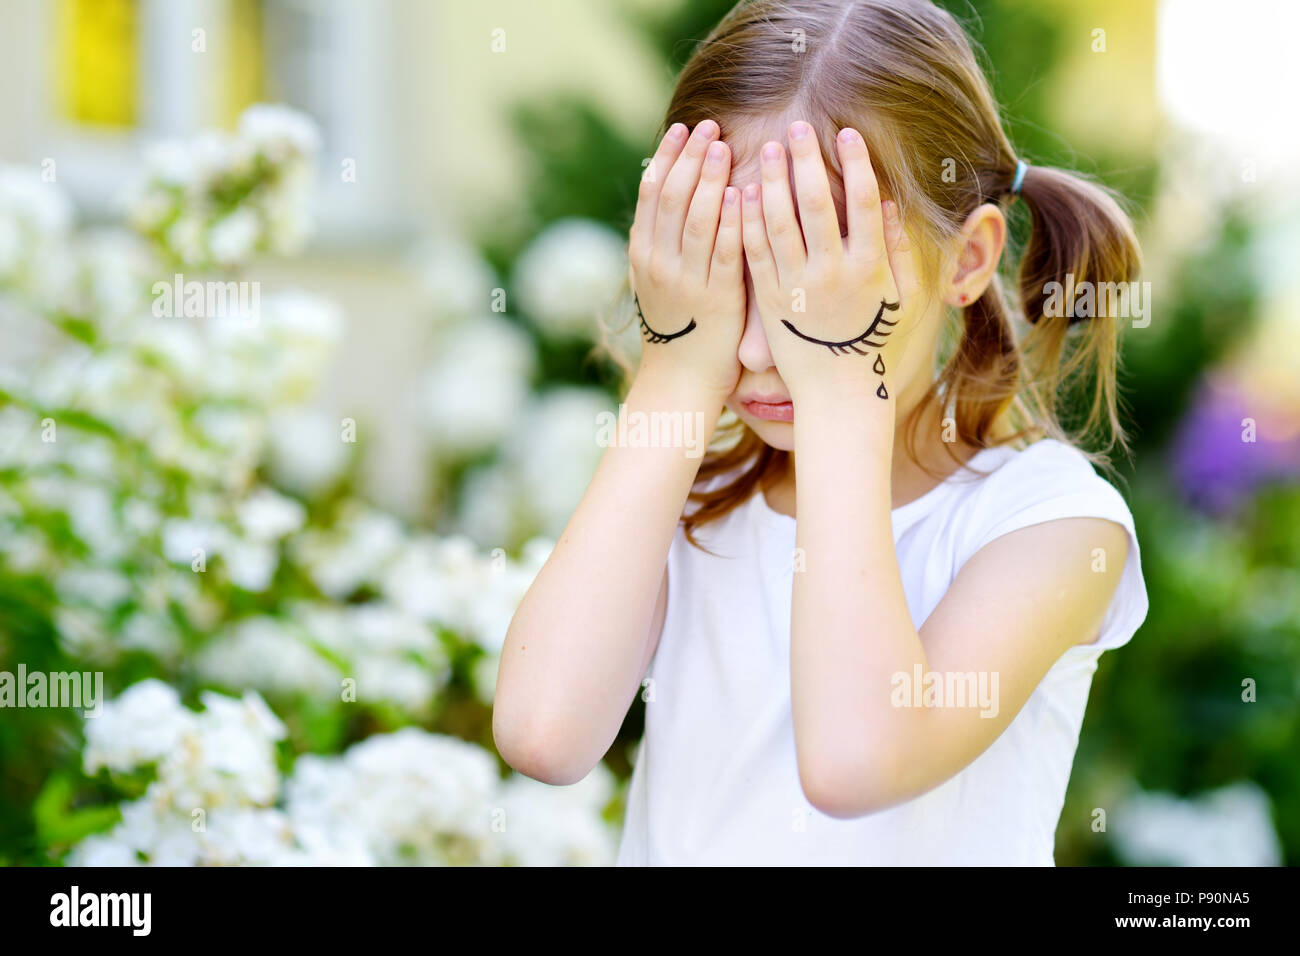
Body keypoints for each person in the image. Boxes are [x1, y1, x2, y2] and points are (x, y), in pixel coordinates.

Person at [494, 0, 1149, 865]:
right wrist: (678, 371)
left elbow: (855, 760)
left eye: (816, 284)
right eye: (728, 272)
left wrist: (842, 384)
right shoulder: (691, 490)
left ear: (966, 259)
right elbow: (545, 733)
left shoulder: (1052, 526)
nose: (761, 349)